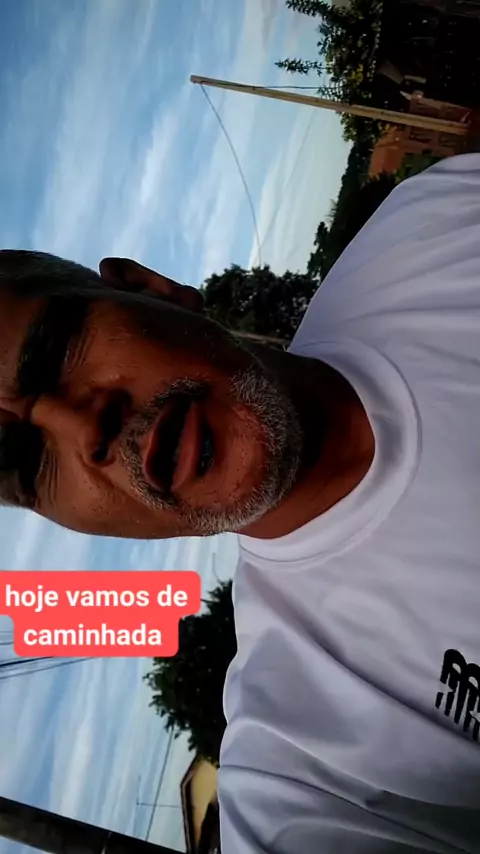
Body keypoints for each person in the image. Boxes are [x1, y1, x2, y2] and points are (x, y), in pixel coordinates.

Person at [1, 152, 480, 852]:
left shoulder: (442, 223)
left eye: (56, 350)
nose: (85, 429)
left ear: (156, 289)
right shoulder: (307, 760)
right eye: (28, 464)